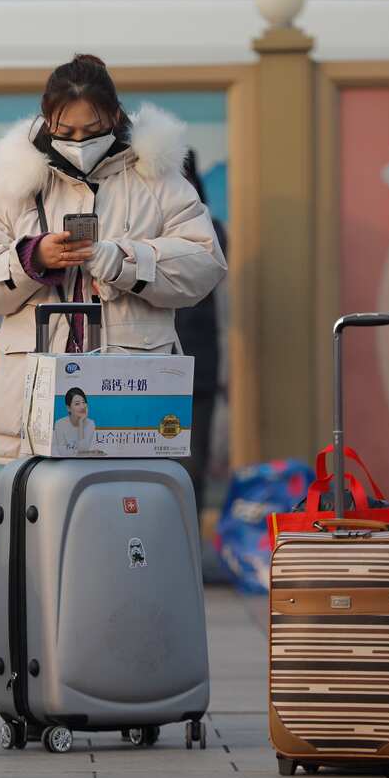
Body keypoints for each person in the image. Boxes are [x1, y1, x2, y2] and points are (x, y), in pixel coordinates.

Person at [0, 53, 226, 464]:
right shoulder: (14, 185)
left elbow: (205, 263)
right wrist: (32, 257)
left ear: (115, 117)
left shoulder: (158, 178)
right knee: (40, 521)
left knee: (129, 519)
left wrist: (122, 260)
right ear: (46, 122)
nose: (79, 142)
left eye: (92, 130)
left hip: (132, 411)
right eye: (66, 130)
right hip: (32, 406)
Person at [175, 149, 227, 512]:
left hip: (196, 374)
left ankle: (187, 560)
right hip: (144, 368)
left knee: (191, 472)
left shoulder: (209, 230)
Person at [52, 388, 98, 455]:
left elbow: (83, 450)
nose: (82, 407)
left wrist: (81, 423)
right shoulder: (59, 424)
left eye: (83, 402)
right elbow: (62, 452)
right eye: (77, 404)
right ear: (68, 408)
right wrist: (81, 453)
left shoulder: (90, 424)